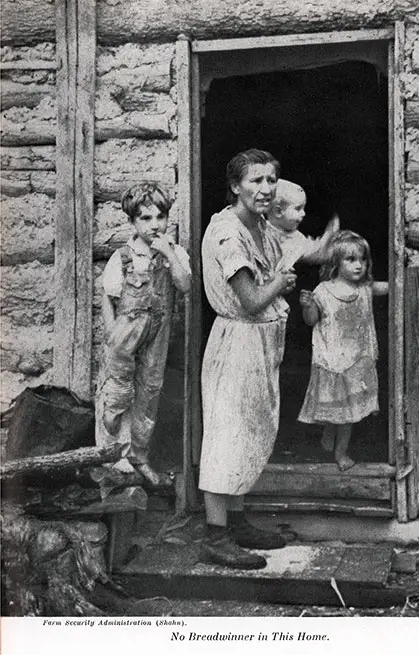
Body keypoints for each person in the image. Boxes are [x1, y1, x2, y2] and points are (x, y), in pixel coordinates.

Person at [199, 149, 297, 570]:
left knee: (248, 434)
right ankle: (215, 536)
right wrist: (280, 282)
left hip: (257, 345)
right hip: (236, 342)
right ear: (236, 185)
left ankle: (237, 523)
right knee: (226, 436)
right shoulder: (227, 233)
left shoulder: (257, 224)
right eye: (255, 181)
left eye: (271, 180)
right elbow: (252, 299)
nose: (265, 189)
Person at [96, 182, 191, 486]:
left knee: (148, 395)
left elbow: (185, 285)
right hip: (125, 335)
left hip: (157, 335)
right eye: (145, 219)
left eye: (159, 217)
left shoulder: (173, 253)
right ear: (133, 222)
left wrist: (170, 255)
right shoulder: (124, 257)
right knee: (117, 395)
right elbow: (108, 298)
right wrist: (113, 336)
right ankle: (112, 458)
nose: (154, 225)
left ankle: (139, 457)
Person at [298, 230, 388, 471]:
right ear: (336, 262)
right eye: (351, 260)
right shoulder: (323, 291)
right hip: (332, 360)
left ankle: (340, 451)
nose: (359, 265)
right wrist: (307, 306)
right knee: (337, 408)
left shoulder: (365, 289)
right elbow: (311, 320)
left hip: (357, 362)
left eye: (363, 259)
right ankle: (335, 442)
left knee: (347, 413)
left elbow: (394, 286)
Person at [267, 179, 339, 271]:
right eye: (298, 209)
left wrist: (330, 234)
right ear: (278, 211)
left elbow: (319, 254)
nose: (303, 213)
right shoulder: (258, 229)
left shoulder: (297, 240)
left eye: (303, 208)